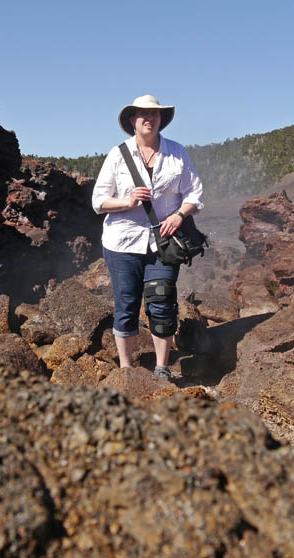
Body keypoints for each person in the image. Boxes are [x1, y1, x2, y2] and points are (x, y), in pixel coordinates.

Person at [92, 94, 204, 381]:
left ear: (160, 120)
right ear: (132, 120)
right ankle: (127, 370)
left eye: (154, 114)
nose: (148, 118)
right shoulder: (118, 155)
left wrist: (180, 215)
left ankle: (162, 368)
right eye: (142, 114)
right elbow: (98, 201)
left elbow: (194, 194)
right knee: (126, 303)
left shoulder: (177, 152)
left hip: (163, 243)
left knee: (162, 301)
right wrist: (127, 202)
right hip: (122, 242)